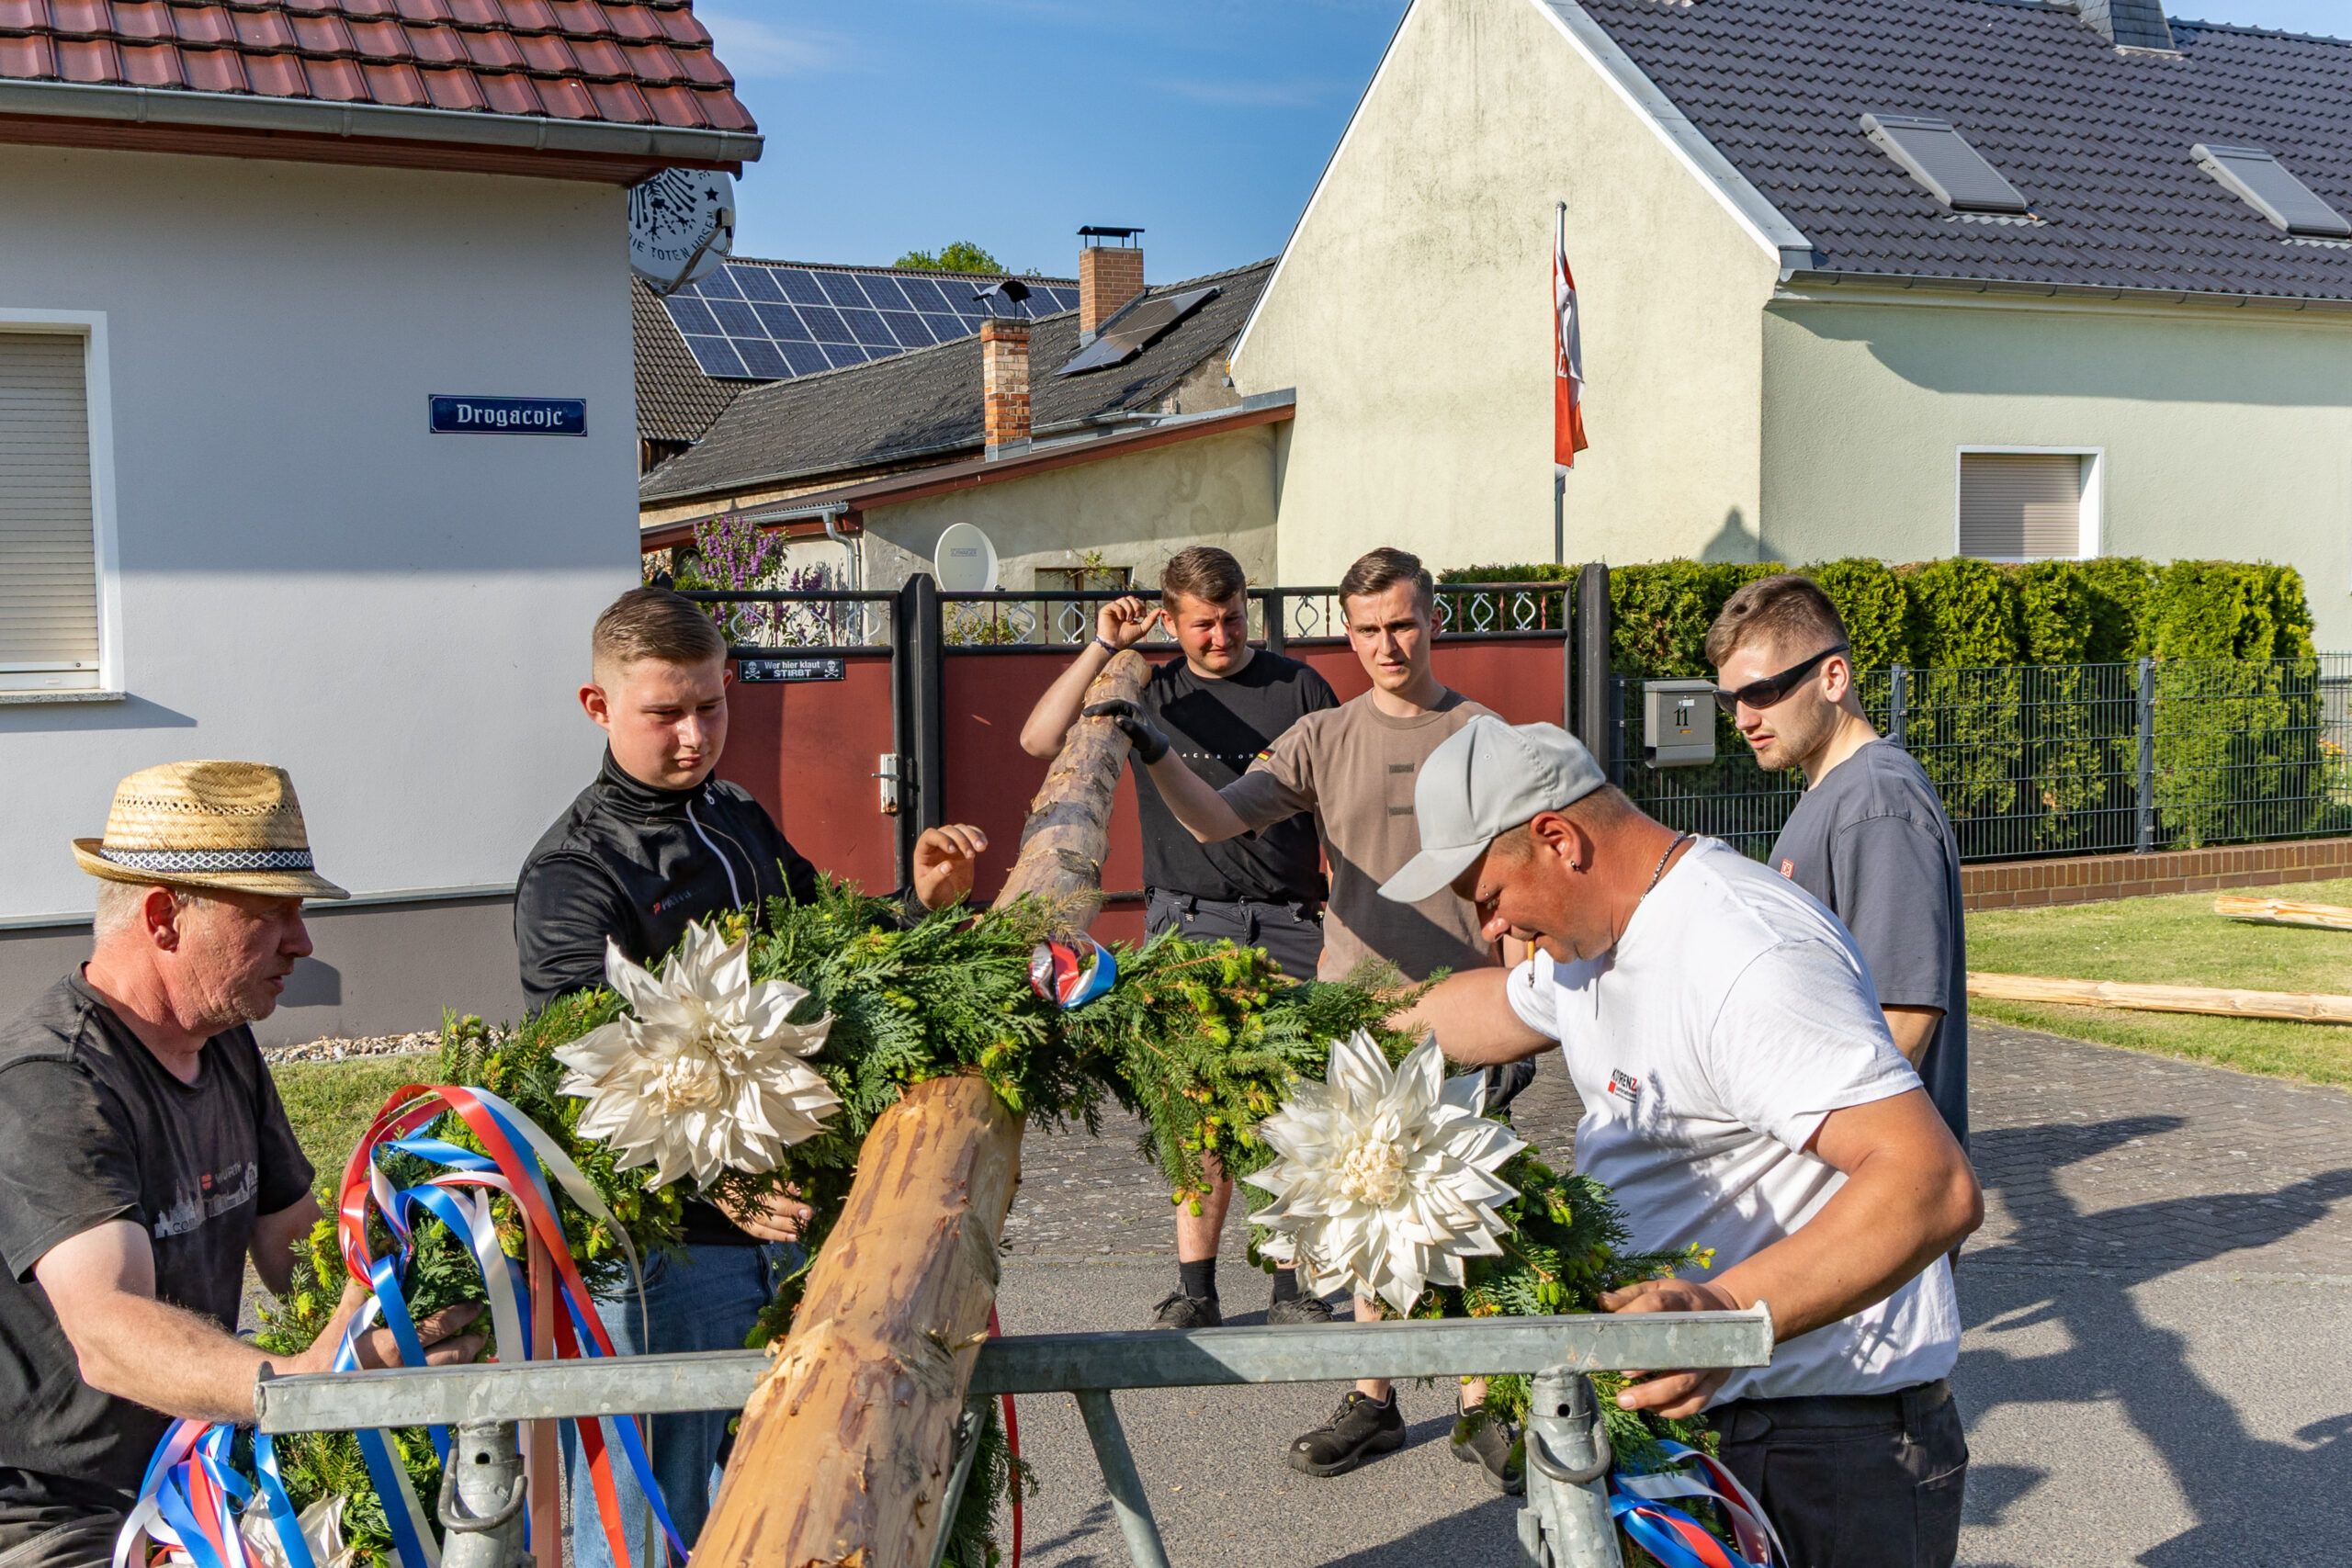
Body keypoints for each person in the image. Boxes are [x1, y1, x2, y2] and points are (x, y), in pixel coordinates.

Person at [1383, 717, 1983, 1568]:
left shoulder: (1743, 952)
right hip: (1713, 1421)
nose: (1489, 925)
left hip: (1826, 1448)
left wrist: (1723, 1312)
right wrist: (1315, 1022)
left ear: (1558, 839)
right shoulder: (1592, 946)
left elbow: (1931, 1184)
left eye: (1489, 895)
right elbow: (1491, 1006)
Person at [515, 587, 988, 1568]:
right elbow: (582, 1082)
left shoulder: (734, 813)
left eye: (712, 704)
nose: (695, 736)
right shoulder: (572, 874)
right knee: (652, 1527)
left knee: (778, 1495)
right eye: (665, 713)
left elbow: (831, 952)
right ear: (598, 707)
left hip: (784, 1227)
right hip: (670, 1257)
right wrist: (713, 1184)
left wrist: (916, 903)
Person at [1085, 546, 1526, 1488]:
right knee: (1366, 1204)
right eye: (1367, 629)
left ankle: (1482, 1406)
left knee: (1469, 1214)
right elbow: (1214, 819)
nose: (1386, 645)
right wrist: (1153, 748)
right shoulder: (1323, 735)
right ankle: (1373, 1400)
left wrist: (1527, 1006)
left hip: (1467, 1008)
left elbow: (1525, 880)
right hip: (1356, 1008)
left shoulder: (1485, 735)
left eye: (1401, 624)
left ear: (1432, 620)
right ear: (1348, 633)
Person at [0, 762, 483, 1568]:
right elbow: (109, 1332)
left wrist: (412, 1297)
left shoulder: (222, 1043)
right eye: (270, 913)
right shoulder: (54, 1081)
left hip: (197, 1471)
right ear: (164, 917)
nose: (303, 941)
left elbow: (297, 1247)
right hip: (56, 1518)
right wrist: (303, 1381)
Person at [1019, 546, 1339, 1331]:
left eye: (1232, 618)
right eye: (1203, 624)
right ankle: (1196, 1289)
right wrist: (1104, 645)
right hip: (1189, 922)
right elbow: (1039, 739)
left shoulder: (1299, 687)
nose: (1222, 636)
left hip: (1290, 921)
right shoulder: (1147, 689)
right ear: (1169, 618)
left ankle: (1292, 1288)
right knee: (1197, 1114)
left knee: (1294, 1110)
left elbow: (1336, 800)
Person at [1706, 574, 1969, 1148]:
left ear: (1833, 677)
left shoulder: (1878, 803)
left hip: (1862, 1173)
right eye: (1730, 700)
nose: (1743, 719)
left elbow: (1901, 1023)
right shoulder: (1835, 793)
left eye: (1762, 692)